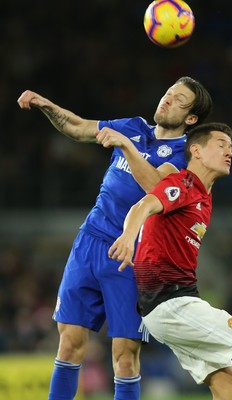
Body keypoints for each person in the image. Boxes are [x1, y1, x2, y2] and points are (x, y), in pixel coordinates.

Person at [17, 76, 213, 400]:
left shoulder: (186, 157)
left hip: (134, 255)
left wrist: (125, 145)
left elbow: (155, 187)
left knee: (124, 356)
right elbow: (79, 127)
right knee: (69, 343)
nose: (167, 99)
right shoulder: (133, 126)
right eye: (168, 93)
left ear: (191, 118)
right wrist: (46, 106)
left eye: (179, 100)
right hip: (90, 241)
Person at [109, 122, 232, 400]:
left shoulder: (204, 197)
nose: (230, 152)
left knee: (229, 386)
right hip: (172, 304)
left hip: (170, 306)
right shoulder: (185, 183)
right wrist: (129, 236)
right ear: (197, 151)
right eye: (221, 144)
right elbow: (142, 206)